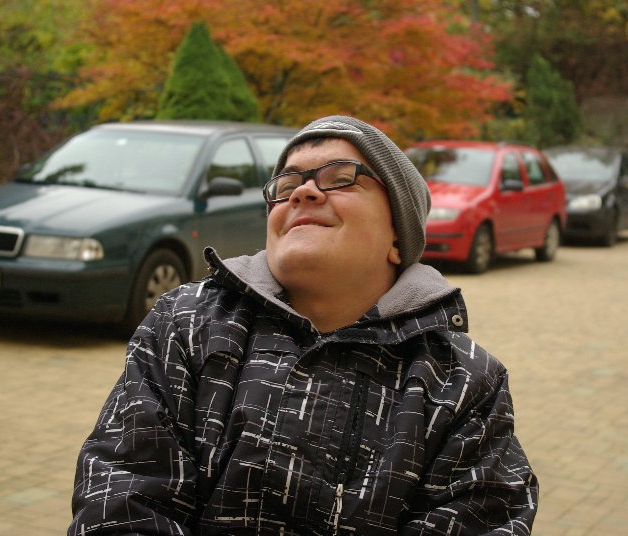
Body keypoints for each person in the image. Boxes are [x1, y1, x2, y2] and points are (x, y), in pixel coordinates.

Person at [69, 115, 538, 535]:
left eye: (341, 178)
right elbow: (121, 503)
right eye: (286, 184)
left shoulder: (464, 383)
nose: (303, 192)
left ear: (399, 234)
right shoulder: (185, 325)